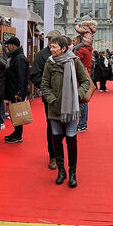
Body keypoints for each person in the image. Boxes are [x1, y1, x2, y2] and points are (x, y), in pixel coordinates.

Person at [41, 36, 90, 188]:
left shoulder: (75, 61)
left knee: (71, 141)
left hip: (70, 110)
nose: (51, 49)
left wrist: (78, 95)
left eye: (54, 46)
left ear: (63, 48)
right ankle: (61, 171)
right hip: (55, 109)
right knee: (56, 141)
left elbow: (86, 81)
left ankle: (73, 173)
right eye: (51, 46)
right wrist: (51, 99)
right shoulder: (49, 63)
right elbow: (44, 84)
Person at [30, 29, 62, 169]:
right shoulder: (41, 55)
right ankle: (53, 155)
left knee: (66, 126)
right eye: (50, 40)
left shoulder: (67, 55)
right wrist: (45, 90)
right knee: (52, 126)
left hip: (66, 97)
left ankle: (59, 153)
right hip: (49, 98)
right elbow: (35, 75)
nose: (51, 43)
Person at [4, 37, 29, 144]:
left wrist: (19, 92)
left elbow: (22, 77)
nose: (6, 47)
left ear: (12, 45)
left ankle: (18, 134)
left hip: (16, 91)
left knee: (17, 112)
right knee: (15, 112)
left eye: (7, 45)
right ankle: (16, 132)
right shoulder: (16, 57)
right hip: (14, 90)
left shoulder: (19, 59)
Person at [72, 35, 93, 132]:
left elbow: (75, 62)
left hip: (80, 78)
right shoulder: (87, 50)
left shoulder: (80, 50)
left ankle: (81, 124)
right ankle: (83, 123)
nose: (73, 42)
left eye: (74, 40)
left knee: (81, 101)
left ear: (79, 40)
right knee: (84, 101)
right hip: (86, 76)